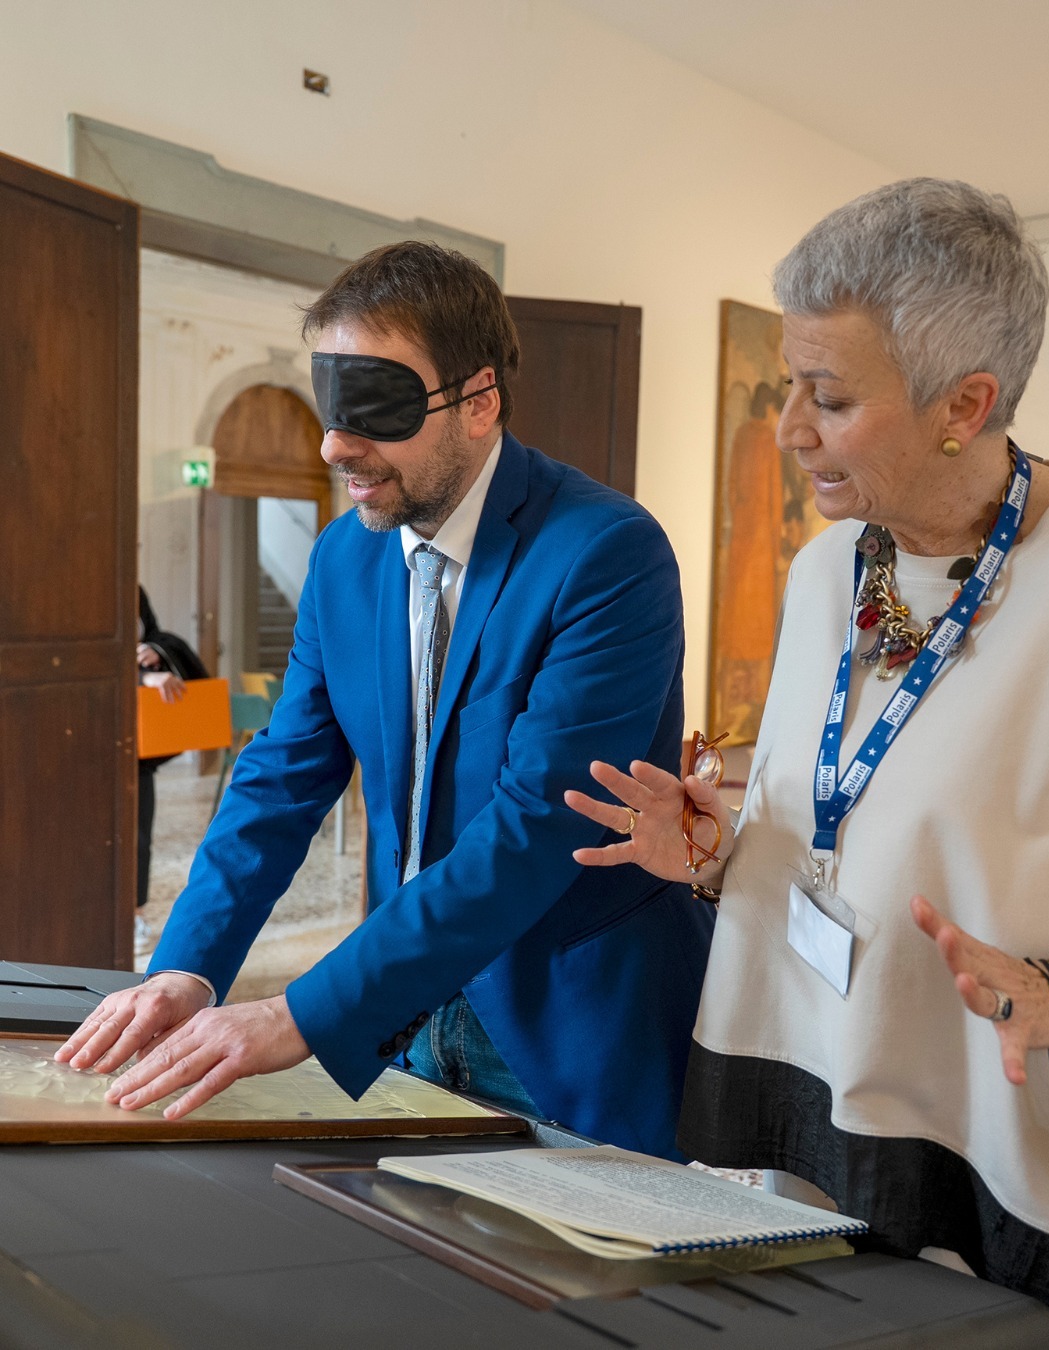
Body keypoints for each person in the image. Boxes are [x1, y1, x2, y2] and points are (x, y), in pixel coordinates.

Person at [58, 242, 715, 1159]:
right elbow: (281, 780)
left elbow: (532, 827)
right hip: (403, 1024)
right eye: (332, 405)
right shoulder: (343, 556)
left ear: (479, 401)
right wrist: (187, 970)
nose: (334, 445)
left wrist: (297, 1014)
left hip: (568, 1029)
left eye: (375, 405)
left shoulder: (606, 553)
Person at [566, 180, 1049, 1335]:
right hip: (795, 1098)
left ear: (966, 404)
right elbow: (845, 815)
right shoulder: (825, 571)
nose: (789, 428)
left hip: (981, 1135)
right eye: (791, 385)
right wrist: (720, 855)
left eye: (831, 398)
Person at [135, 587, 206, 954]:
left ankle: (134, 913)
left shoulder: (134, 589)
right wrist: (139, 677)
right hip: (93, 732)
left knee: (138, 833)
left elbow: (155, 635)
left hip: (139, 744)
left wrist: (154, 652)